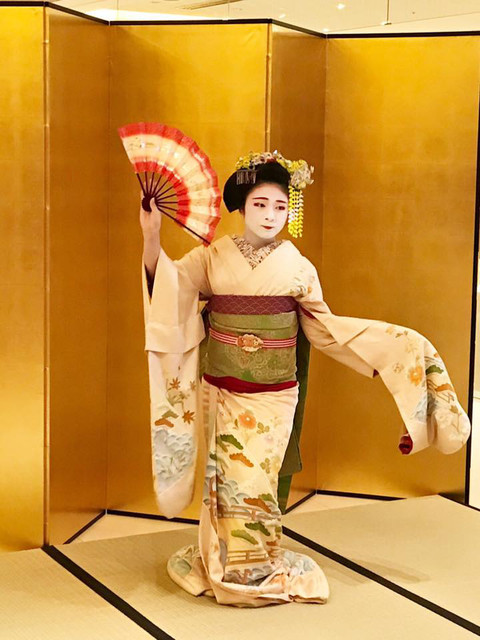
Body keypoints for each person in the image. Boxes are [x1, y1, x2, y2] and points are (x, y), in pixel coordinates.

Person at [140, 153, 471, 607]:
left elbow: (323, 328)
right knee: (224, 480)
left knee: (253, 480)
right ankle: (224, 560)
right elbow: (167, 288)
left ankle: (255, 567)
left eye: (280, 206)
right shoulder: (212, 256)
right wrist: (151, 234)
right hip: (221, 387)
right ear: (242, 206)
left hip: (273, 396)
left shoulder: (299, 267)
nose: (270, 215)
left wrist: (395, 348)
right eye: (260, 204)